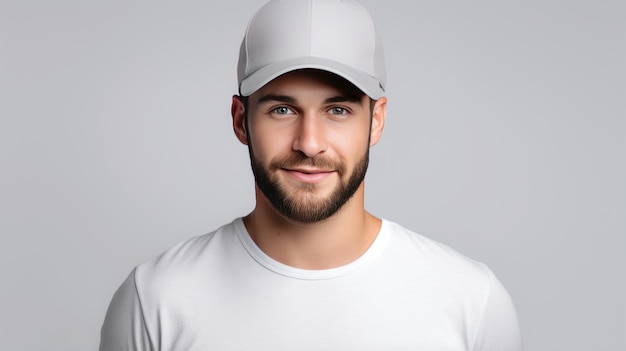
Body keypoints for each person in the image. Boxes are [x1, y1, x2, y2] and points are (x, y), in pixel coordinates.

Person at [99, 0, 523, 350]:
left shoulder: (471, 302)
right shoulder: (155, 299)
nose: (309, 142)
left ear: (376, 121)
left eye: (337, 110)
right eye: (282, 109)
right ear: (240, 120)